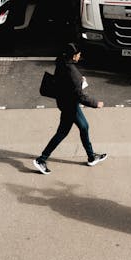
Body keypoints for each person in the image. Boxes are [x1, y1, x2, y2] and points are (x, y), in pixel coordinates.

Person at [33, 43, 107, 174]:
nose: (80, 56)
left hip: (64, 102)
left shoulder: (62, 63)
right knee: (64, 132)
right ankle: (41, 159)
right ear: (73, 56)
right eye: (78, 54)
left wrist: (79, 81)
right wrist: (96, 104)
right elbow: (81, 96)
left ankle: (91, 157)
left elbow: (65, 82)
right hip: (70, 106)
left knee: (83, 127)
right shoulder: (72, 73)